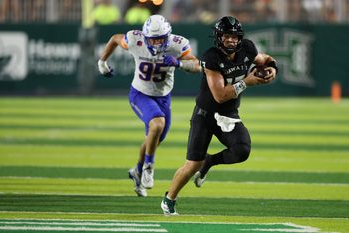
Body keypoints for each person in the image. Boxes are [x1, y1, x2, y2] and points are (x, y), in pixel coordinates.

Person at [161, 16, 278, 215]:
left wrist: (272, 70)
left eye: (234, 36)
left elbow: (265, 59)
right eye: (227, 36)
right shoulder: (211, 57)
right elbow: (220, 95)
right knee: (192, 164)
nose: (231, 40)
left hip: (229, 114)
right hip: (205, 115)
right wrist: (247, 82)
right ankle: (169, 198)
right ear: (218, 37)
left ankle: (210, 161)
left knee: (242, 150)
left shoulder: (248, 49)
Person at [97, 14, 201, 197]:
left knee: (154, 139)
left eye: (160, 39)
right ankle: (148, 167)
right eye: (152, 39)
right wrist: (102, 62)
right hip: (140, 94)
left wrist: (179, 63)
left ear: (168, 36)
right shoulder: (135, 39)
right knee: (157, 124)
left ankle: (137, 171)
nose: (156, 43)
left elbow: (197, 65)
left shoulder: (177, 44)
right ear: (145, 37)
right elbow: (115, 39)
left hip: (163, 98)